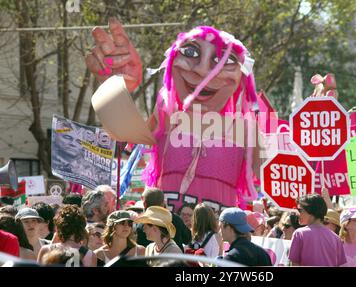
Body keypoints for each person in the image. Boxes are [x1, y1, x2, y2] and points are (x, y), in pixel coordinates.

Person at [86, 20, 265, 212]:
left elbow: (272, 177)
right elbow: (124, 134)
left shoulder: (246, 129)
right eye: (190, 52)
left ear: (242, 76)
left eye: (226, 59)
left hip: (215, 236)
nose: (202, 70)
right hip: (163, 231)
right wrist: (115, 88)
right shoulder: (167, 111)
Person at [288, 194, 346, 266]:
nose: (297, 214)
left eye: (300, 210)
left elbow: (294, 264)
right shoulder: (336, 238)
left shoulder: (299, 234)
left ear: (311, 211)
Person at [135, 187, 191, 252]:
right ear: (163, 203)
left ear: (144, 204)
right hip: (174, 258)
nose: (145, 229)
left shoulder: (141, 225)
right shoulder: (175, 219)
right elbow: (188, 239)